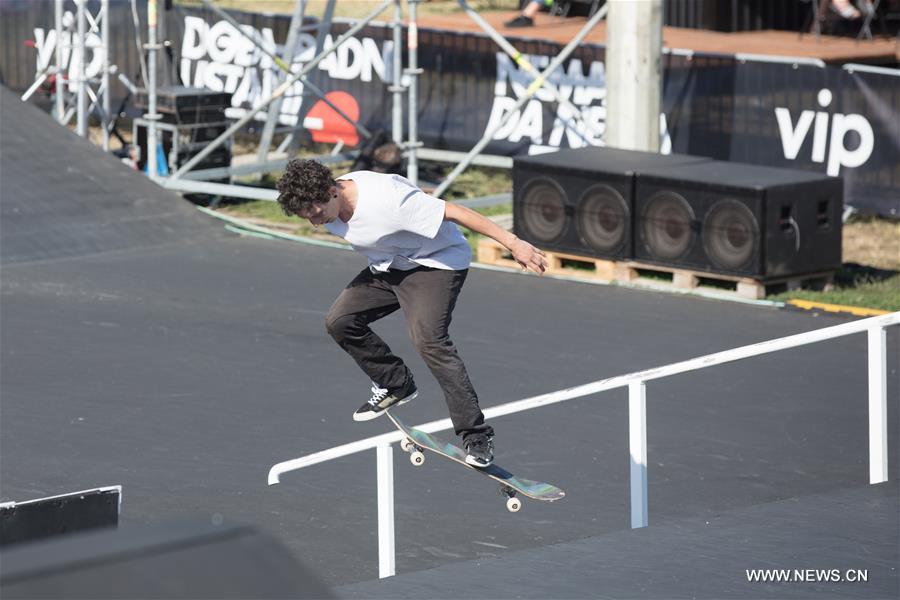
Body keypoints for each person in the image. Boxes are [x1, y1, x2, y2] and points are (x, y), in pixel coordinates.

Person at [276, 159, 548, 467]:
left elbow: (456, 212)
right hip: (390, 266)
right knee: (340, 321)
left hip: (435, 265)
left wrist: (514, 243)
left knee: (429, 341)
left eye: (316, 213)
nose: (315, 222)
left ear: (331, 191)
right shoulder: (326, 198)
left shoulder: (388, 201)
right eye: (306, 217)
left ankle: (476, 434)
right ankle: (396, 382)